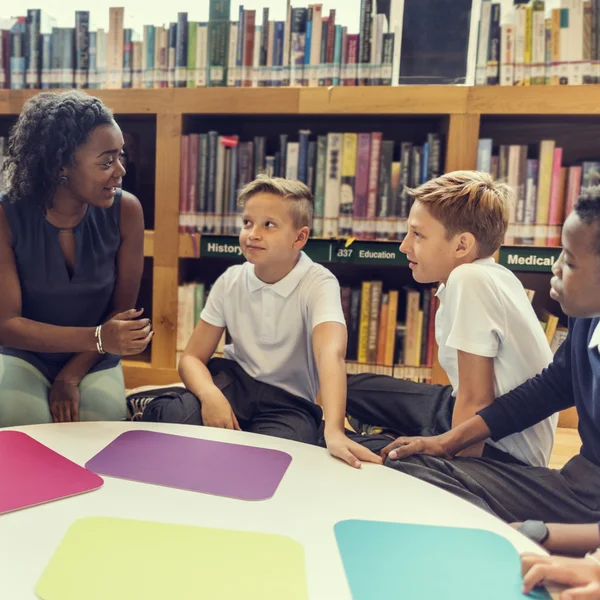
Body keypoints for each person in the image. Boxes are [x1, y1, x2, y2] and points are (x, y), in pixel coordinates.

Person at [376, 186, 600, 525]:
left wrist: (541, 535)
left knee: (410, 471)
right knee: (410, 461)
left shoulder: (474, 278)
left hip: (587, 504)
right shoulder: (586, 319)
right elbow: (547, 390)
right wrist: (446, 444)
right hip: (575, 484)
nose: (555, 269)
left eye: (569, 261)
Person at [142, 175, 382, 469]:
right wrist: (210, 395)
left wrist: (333, 430)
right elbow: (192, 357)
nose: (253, 234)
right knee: (174, 423)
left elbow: (330, 354)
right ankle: (165, 402)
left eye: (269, 225)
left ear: (300, 238)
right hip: (234, 383)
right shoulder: (231, 280)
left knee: (282, 456)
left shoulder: (319, 282)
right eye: (247, 223)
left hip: (288, 401)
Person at [346, 171, 557, 467]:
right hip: (460, 412)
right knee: (347, 388)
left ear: (461, 245)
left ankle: (389, 435)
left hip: (498, 452)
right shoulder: (485, 275)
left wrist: (453, 469)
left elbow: (476, 401)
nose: (404, 246)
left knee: (357, 449)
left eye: (418, 234)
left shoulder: (469, 279)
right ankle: (391, 431)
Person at [0, 90, 153, 427]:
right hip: (25, 356)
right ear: (61, 166)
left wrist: (72, 374)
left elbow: (120, 314)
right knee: (22, 428)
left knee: (100, 428)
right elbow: (7, 326)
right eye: (106, 161)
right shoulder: (5, 215)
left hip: (93, 358)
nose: (120, 171)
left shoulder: (127, 211)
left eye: (120, 156)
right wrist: (99, 335)